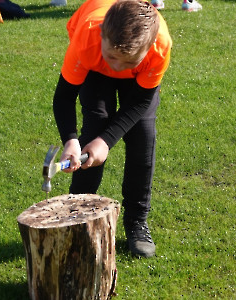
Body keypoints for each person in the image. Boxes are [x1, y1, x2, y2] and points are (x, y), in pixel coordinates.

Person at [52, 0, 172, 257]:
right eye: (112, 57)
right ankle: (78, 216)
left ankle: (137, 221)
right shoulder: (87, 37)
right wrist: (71, 140)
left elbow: (140, 101)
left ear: (149, 47)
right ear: (102, 34)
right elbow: (64, 97)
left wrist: (106, 142)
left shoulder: (159, 46)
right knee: (95, 124)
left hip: (138, 79)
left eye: (125, 62)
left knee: (142, 135)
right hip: (94, 66)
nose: (116, 67)